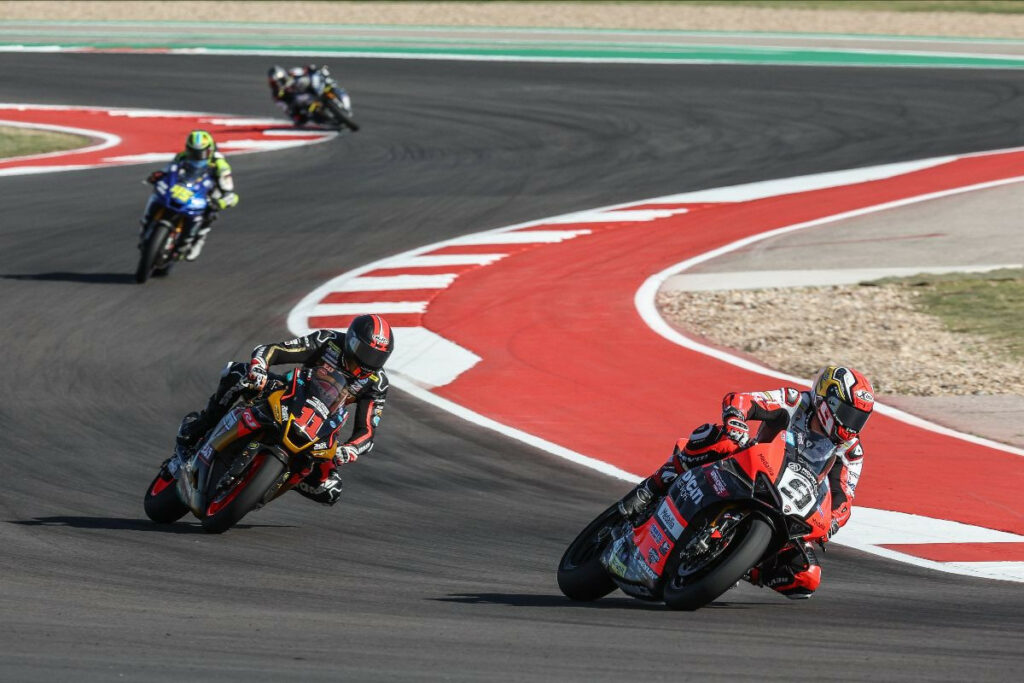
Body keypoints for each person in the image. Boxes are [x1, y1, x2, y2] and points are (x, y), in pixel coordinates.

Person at [617, 365, 874, 599]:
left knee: (807, 576)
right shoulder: (795, 402)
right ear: (826, 400)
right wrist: (736, 420)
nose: (852, 426)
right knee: (721, 438)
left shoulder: (850, 451)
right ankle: (653, 486)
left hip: (791, 503)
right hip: (751, 466)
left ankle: (739, 564)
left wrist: (832, 522)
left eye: (859, 419)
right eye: (848, 414)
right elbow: (744, 400)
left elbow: (844, 498)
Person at [175, 315, 394, 506]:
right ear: (352, 341)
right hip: (294, 392)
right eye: (365, 352)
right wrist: (260, 367)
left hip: (323, 421)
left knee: (330, 490)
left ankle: (277, 482)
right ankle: (199, 427)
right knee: (239, 374)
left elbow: (367, 431)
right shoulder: (328, 341)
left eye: (377, 357)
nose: (369, 362)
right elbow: (276, 350)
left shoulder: (377, 382)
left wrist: (351, 449)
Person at [143, 130, 239, 260]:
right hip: (184, 187)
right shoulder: (182, 156)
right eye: (192, 152)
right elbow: (169, 169)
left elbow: (230, 194)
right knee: (156, 195)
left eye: (201, 153)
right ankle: (146, 222)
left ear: (210, 151)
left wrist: (220, 202)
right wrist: (159, 175)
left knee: (210, 213)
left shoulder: (221, 166)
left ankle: (198, 239)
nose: (196, 156)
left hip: (207, 192)